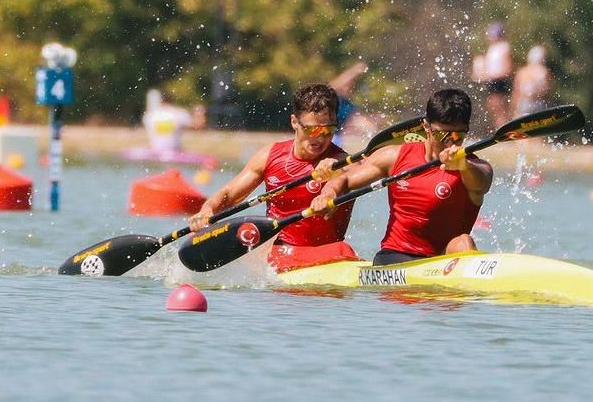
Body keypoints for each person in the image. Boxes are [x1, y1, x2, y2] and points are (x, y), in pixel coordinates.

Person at [310, 89, 493, 265]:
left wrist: (463, 165)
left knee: (463, 242)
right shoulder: (395, 156)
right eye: (441, 134)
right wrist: (327, 195)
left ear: (467, 130)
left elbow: (481, 184)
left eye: (457, 135)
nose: (449, 142)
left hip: (443, 260)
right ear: (426, 126)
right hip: (396, 258)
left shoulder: (476, 168)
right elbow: (345, 180)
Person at [188, 83, 358, 271]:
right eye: (312, 130)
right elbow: (230, 194)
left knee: (344, 250)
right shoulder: (270, 155)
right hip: (280, 255)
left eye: (328, 130)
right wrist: (207, 210)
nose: (320, 138)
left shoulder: (340, 161)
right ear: (294, 122)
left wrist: (329, 191)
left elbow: (353, 174)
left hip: (329, 255)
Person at [471, 22, 513, 128]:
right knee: (493, 106)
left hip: (499, 80)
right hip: (493, 80)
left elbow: (507, 68)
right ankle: (500, 127)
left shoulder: (503, 47)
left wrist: (490, 76)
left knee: (499, 107)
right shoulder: (492, 48)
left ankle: (504, 128)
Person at [328, 61, 377, 146]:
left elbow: (359, 120)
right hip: (324, 134)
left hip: (337, 137)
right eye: (345, 85)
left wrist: (374, 130)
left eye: (350, 86)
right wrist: (354, 71)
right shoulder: (332, 98)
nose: (347, 88)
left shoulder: (350, 106)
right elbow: (334, 85)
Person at [511, 45, 552, 118]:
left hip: (524, 104)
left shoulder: (522, 71)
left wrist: (514, 111)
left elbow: (517, 92)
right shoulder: (544, 71)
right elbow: (548, 91)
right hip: (539, 103)